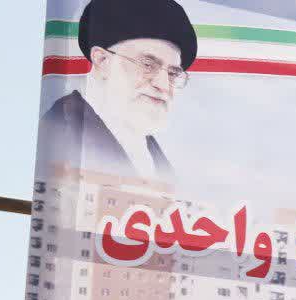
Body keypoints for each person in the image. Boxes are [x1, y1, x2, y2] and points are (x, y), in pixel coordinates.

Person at [39, 0, 197, 181]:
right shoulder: (60, 133)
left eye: (173, 73)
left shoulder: (153, 155)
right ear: (102, 61)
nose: (163, 85)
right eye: (147, 65)